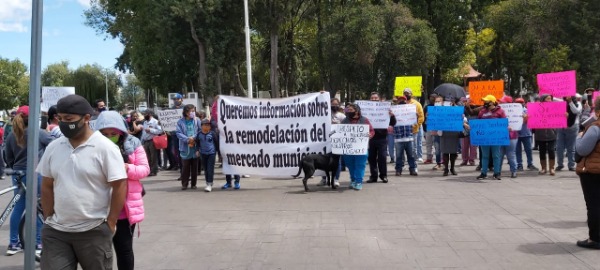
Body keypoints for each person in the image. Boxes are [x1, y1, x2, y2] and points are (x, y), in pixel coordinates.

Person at [36, 94, 128, 269]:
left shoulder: (106, 148)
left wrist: (111, 223)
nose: (63, 123)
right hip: (57, 231)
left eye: (69, 119)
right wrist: (49, 218)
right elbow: (47, 184)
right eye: (60, 118)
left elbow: (120, 185)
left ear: (86, 118)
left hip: (94, 231)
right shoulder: (54, 147)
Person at [95, 111, 149, 269]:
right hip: (97, 208)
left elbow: (144, 169)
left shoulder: (133, 143)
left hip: (124, 209)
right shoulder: (92, 146)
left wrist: (126, 168)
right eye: (104, 134)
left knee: (124, 250)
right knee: (98, 252)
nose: (109, 136)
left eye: (113, 133)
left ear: (121, 131)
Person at [4, 105, 52, 255]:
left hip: (18, 173)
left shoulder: (12, 135)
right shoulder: (39, 133)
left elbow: (8, 157)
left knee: (18, 208)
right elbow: (55, 146)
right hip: (35, 173)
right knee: (38, 207)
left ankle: (13, 243)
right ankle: (38, 243)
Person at [575, 96, 600, 249]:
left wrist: (579, 137)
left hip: (593, 172)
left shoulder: (595, 127)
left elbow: (583, 149)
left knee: (594, 205)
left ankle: (595, 238)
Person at [342, 103, 375, 190]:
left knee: (360, 165)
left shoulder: (365, 120)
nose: (349, 112)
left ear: (357, 111)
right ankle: (353, 180)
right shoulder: (345, 120)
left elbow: (372, 130)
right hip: (348, 148)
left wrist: (370, 135)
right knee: (350, 164)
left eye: (351, 110)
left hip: (361, 148)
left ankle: (359, 181)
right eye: (348, 110)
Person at [367, 92, 397, 183]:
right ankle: (373, 176)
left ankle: (383, 175)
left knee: (382, 157)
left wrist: (392, 116)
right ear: (370, 99)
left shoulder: (385, 110)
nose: (374, 99)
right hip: (370, 138)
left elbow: (392, 123)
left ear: (379, 99)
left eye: (376, 98)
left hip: (382, 138)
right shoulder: (366, 110)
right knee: (371, 157)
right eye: (372, 98)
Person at [476, 95, 507, 180]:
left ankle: (497, 173)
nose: (485, 103)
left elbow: (504, 123)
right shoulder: (482, 112)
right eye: (484, 101)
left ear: (492, 102)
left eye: (486, 101)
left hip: (496, 137)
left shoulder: (500, 112)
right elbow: (477, 123)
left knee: (496, 155)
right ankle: (483, 173)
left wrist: (505, 127)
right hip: (484, 137)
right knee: (484, 156)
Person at [319, 97, 346, 187]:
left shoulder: (342, 116)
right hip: (325, 140)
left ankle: (335, 179)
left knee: (336, 161)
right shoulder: (324, 114)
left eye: (336, 104)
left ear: (339, 105)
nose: (334, 106)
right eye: (333, 104)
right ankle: (323, 179)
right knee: (323, 160)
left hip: (337, 141)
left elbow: (346, 127)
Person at [176, 104, 202, 190]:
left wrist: (194, 138)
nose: (193, 113)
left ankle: (193, 184)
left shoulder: (197, 120)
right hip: (185, 147)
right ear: (186, 112)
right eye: (191, 111)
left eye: (194, 111)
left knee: (194, 167)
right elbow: (178, 133)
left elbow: (200, 131)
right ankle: (184, 184)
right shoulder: (180, 122)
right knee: (185, 167)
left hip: (195, 147)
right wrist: (187, 139)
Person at [439, 97, 467, 176]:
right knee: (445, 152)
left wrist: (462, 118)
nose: (449, 102)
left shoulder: (458, 109)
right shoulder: (441, 109)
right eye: (447, 101)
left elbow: (464, 119)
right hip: (444, 132)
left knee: (453, 152)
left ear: (454, 101)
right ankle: (446, 169)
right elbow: (437, 119)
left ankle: (452, 168)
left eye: (451, 101)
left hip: (454, 132)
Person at [393, 96, 418, 176]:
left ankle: (412, 169)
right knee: (399, 155)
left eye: (404, 100)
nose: (402, 101)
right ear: (397, 101)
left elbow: (414, 122)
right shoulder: (394, 111)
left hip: (409, 137)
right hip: (398, 137)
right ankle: (398, 170)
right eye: (400, 100)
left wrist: (415, 116)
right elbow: (391, 123)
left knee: (411, 155)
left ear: (406, 101)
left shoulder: (410, 110)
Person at [556, 95, 582, 171]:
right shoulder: (562, 102)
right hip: (561, 127)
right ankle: (560, 164)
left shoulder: (578, 104)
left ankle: (571, 165)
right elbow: (553, 99)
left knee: (571, 148)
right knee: (559, 148)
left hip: (572, 128)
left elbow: (576, 111)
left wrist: (570, 102)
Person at [534, 94, 558, 175]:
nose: (549, 100)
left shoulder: (554, 108)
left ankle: (552, 168)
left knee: (551, 150)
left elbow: (559, 117)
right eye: (548, 98)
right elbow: (533, 118)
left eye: (550, 98)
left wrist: (564, 115)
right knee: (542, 151)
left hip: (551, 133)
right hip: (540, 134)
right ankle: (544, 168)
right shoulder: (537, 108)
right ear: (543, 99)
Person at [514, 98, 538, 171]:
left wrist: (525, 118)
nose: (520, 104)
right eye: (518, 103)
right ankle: (519, 165)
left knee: (528, 150)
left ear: (524, 103)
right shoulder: (512, 111)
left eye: (521, 103)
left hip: (526, 133)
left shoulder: (527, 110)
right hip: (516, 134)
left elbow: (529, 121)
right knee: (517, 150)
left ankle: (530, 164)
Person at [499, 96, 519, 178]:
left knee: (511, 154)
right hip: (500, 136)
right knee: (499, 155)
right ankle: (497, 171)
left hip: (511, 136)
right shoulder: (498, 112)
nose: (500, 103)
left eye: (503, 102)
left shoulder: (515, 112)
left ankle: (514, 171)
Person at [404, 89, 425, 165]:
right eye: (405, 93)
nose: (406, 94)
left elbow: (421, 116)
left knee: (417, 143)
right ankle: (411, 158)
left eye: (408, 93)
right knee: (409, 145)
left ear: (411, 94)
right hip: (406, 128)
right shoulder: (402, 104)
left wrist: (417, 124)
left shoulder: (417, 104)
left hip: (416, 127)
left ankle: (418, 157)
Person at [140, 109, 163, 176]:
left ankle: (154, 171)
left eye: (145, 114)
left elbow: (160, 131)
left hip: (153, 140)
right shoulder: (145, 122)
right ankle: (149, 170)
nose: (144, 115)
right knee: (148, 157)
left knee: (153, 157)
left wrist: (151, 130)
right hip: (146, 141)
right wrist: (141, 142)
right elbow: (143, 133)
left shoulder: (155, 122)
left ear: (150, 114)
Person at [198, 119, 218, 192]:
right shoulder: (199, 134)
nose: (207, 126)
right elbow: (197, 143)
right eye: (205, 125)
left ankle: (209, 184)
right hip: (203, 154)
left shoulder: (212, 134)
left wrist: (218, 152)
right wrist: (197, 150)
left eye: (208, 125)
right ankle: (207, 182)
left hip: (211, 153)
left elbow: (216, 143)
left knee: (210, 169)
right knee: (206, 169)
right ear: (201, 126)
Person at [167, 94, 184, 171]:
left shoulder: (185, 108)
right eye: (174, 99)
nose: (176, 100)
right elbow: (167, 121)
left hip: (184, 134)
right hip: (174, 134)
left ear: (181, 99)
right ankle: (181, 169)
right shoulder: (171, 110)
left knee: (184, 152)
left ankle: (186, 170)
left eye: (177, 99)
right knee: (176, 152)